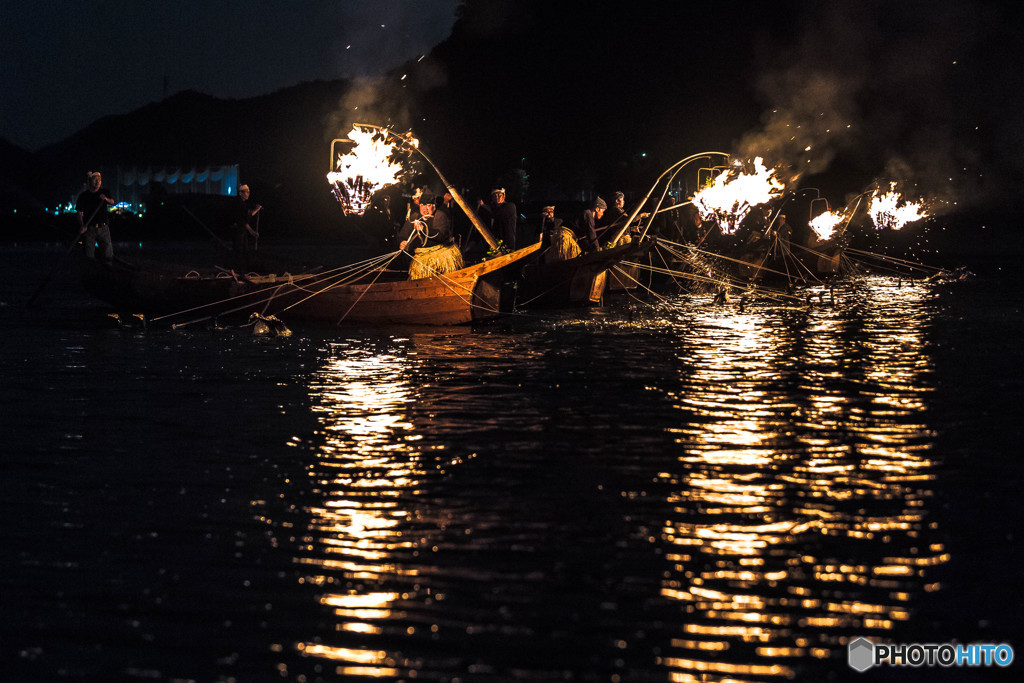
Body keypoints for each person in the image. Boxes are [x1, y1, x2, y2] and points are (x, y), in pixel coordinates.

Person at [75, 171, 117, 264]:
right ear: (89, 181)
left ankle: (108, 272)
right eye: (95, 179)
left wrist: (105, 199)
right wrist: (82, 225)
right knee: (89, 255)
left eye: (99, 179)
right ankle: (91, 273)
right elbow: (79, 212)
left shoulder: (104, 192)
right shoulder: (83, 196)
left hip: (104, 228)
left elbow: (112, 202)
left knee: (108, 254)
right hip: (89, 229)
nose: (98, 181)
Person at [231, 184, 262, 259]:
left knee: (244, 250)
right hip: (238, 232)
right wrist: (257, 209)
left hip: (241, 231)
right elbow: (249, 215)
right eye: (246, 192)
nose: (248, 194)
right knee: (239, 251)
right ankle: (236, 267)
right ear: (241, 193)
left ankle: (240, 267)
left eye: (248, 192)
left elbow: (244, 221)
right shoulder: (239, 204)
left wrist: (252, 232)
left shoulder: (242, 203)